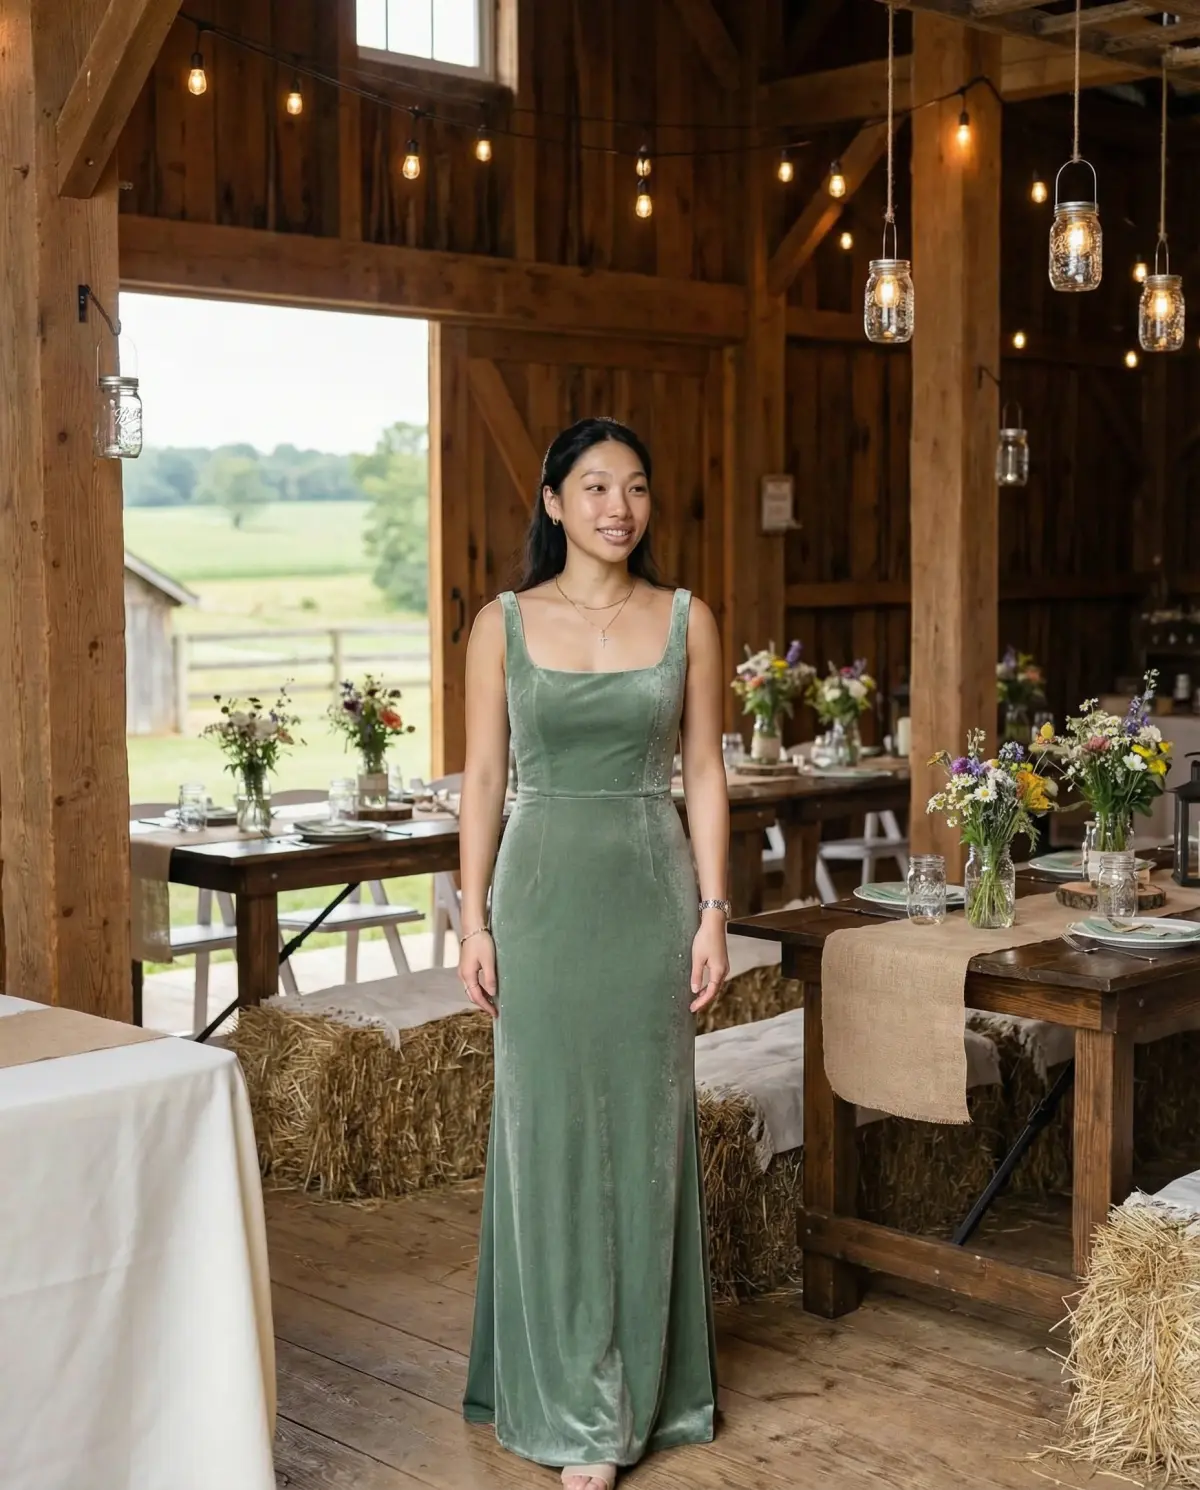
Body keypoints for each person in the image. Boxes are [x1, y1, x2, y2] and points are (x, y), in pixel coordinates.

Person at [458, 417, 730, 1489]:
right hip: (537, 900)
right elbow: (483, 779)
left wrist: (714, 909)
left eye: (637, 486)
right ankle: (567, 1398)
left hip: (650, 894)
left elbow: (704, 770)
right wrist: (472, 918)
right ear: (554, 500)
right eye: (596, 486)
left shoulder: (687, 617)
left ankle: (632, 1391)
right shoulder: (503, 623)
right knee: (545, 1139)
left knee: (644, 1135)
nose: (619, 507)